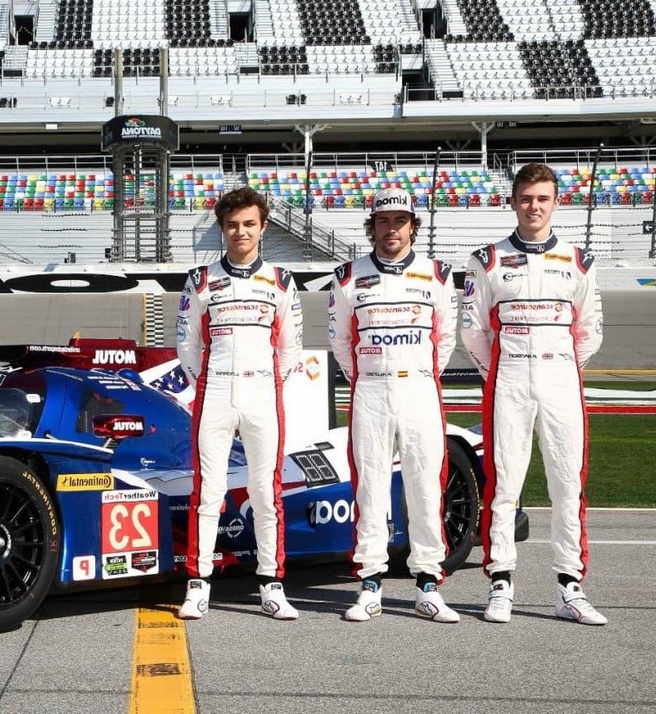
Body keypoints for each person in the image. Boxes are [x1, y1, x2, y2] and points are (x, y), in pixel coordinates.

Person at [460, 162, 606, 625]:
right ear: (513, 202)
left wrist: (559, 365)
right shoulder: (487, 259)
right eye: (526, 198)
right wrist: (501, 370)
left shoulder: (580, 260)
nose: (534, 206)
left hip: (561, 381)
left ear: (555, 203)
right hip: (509, 382)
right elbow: (472, 331)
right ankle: (500, 582)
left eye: (542, 198)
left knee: (569, 485)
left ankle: (570, 587)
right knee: (505, 483)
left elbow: (589, 332)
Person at [326, 187, 460, 624]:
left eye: (400, 221)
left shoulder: (437, 275)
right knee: (371, 487)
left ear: (413, 226)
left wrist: (417, 372)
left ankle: (428, 584)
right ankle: (369, 584)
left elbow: (445, 340)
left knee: (425, 486)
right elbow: (340, 343)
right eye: (384, 221)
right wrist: (366, 374)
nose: (392, 229)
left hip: (419, 389)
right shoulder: (347, 276)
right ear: (373, 227)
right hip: (370, 390)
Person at [174, 186, 303, 621]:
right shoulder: (201, 279)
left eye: (249, 224)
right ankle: (198, 584)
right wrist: (208, 382)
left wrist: (266, 381)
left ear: (263, 227)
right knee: (207, 492)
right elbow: (186, 344)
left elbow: (290, 349)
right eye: (232, 225)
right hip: (215, 394)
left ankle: (271, 583)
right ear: (222, 229)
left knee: (267, 492)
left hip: (263, 393)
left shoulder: (283, 281)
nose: (240, 232)